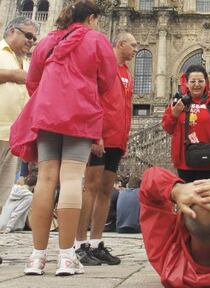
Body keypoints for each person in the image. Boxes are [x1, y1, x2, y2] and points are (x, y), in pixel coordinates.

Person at [9, 0, 117, 276]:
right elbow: (107, 80)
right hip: (80, 112)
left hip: (47, 113)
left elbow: (33, 79)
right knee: (71, 179)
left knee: (45, 180)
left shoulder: (48, 41)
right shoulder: (97, 40)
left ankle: (36, 257)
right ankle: (67, 257)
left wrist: (50, 98)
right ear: (91, 18)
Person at [75, 32, 137, 266]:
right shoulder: (103, 67)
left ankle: (96, 242)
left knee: (105, 191)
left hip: (117, 140)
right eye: (132, 45)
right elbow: (93, 100)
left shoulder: (127, 73)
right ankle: (79, 245)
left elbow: (125, 107)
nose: (135, 49)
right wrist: (95, 134)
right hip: (98, 137)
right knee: (90, 188)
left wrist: (125, 139)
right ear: (120, 44)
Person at [162, 64, 210, 182]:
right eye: (193, 81)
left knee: (204, 193)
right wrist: (174, 114)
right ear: (186, 83)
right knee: (187, 193)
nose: (197, 84)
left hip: (208, 156)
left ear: (206, 83)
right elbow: (167, 128)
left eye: (200, 81)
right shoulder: (179, 101)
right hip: (184, 159)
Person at [0, 16, 37, 211]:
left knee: (4, 191)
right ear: (12, 31)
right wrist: (11, 75)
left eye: (34, 38)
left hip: (14, 137)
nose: (31, 41)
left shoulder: (28, 63)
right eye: (28, 35)